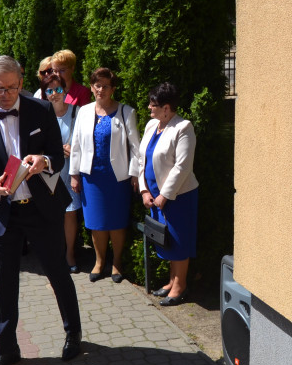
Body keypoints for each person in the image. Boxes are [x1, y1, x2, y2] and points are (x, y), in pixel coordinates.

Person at [0, 56, 82, 365]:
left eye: (14, 88)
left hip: (41, 208)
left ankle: (73, 332)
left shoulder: (40, 109)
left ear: (21, 82)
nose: (7, 95)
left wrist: (43, 160)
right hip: (2, 214)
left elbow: (58, 157)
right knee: (3, 285)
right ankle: (8, 350)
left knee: (58, 271)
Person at [69, 67, 140, 283]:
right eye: (97, 85)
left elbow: (135, 147)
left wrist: (136, 174)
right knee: (95, 223)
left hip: (117, 177)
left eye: (105, 86)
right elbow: (77, 145)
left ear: (113, 89)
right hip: (91, 176)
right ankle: (99, 262)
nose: (100, 89)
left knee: (117, 222)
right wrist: (74, 174)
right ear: (91, 87)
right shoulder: (83, 111)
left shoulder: (126, 112)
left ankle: (117, 262)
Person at [138, 83, 199, 306]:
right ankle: (171, 280)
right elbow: (141, 159)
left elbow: (182, 167)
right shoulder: (152, 125)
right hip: (155, 196)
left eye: (153, 105)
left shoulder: (183, 128)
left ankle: (180, 285)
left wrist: (164, 195)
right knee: (166, 239)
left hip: (179, 196)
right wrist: (144, 189)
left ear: (166, 108)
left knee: (179, 240)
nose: (148, 108)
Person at [41, 72, 82, 273]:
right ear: (45, 94)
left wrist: (74, 150)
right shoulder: (41, 114)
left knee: (70, 213)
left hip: (70, 171)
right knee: (51, 215)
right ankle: (55, 254)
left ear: (65, 90)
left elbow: (87, 142)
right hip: (48, 172)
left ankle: (70, 253)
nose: (54, 94)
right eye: (49, 90)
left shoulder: (77, 112)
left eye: (58, 89)